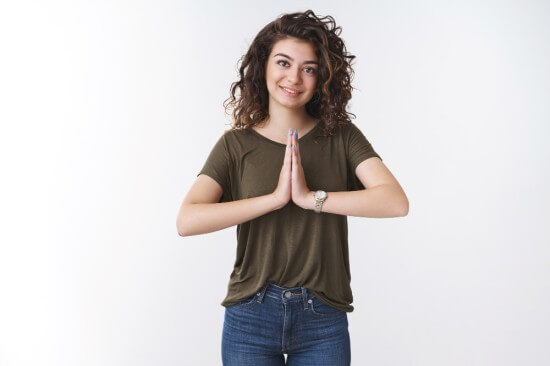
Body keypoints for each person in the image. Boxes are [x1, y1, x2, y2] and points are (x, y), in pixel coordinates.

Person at [176, 9, 408, 366]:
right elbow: (187, 220)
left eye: (309, 68)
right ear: (263, 66)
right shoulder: (235, 145)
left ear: (322, 78)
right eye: (283, 62)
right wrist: (273, 200)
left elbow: (394, 202)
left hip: (322, 317)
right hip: (250, 316)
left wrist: (309, 198)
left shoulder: (341, 137)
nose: (294, 78)